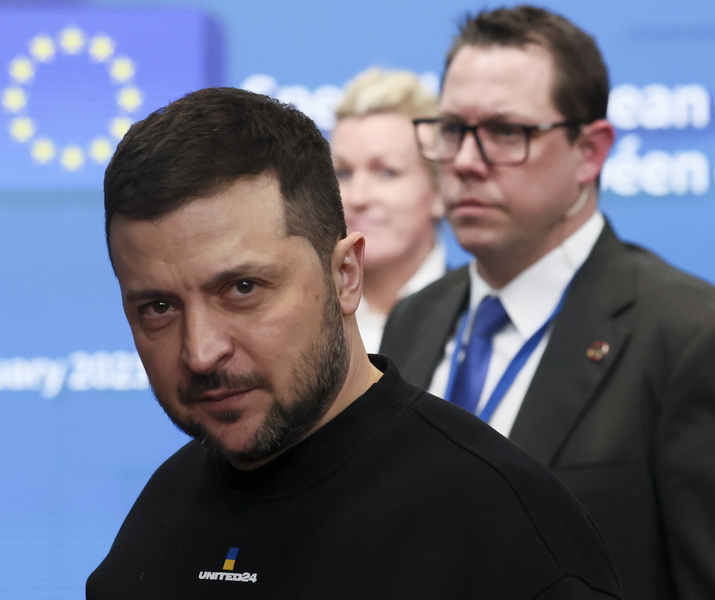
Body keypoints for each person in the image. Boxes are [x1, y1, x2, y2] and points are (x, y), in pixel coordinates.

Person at [86, 86, 622, 599]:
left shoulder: (505, 531)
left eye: (243, 289)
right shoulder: (152, 527)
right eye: (158, 308)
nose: (201, 352)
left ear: (345, 275)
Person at [380, 6, 715, 600]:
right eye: (452, 129)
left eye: (507, 132)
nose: (465, 162)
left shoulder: (687, 335)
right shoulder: (414, 318)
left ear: (590, 151)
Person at [331, 68, 445, 352]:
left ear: (441, 189)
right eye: (343, 173)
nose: (358, 197)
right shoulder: (307, 319)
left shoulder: (477, 317)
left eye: (386, 173)